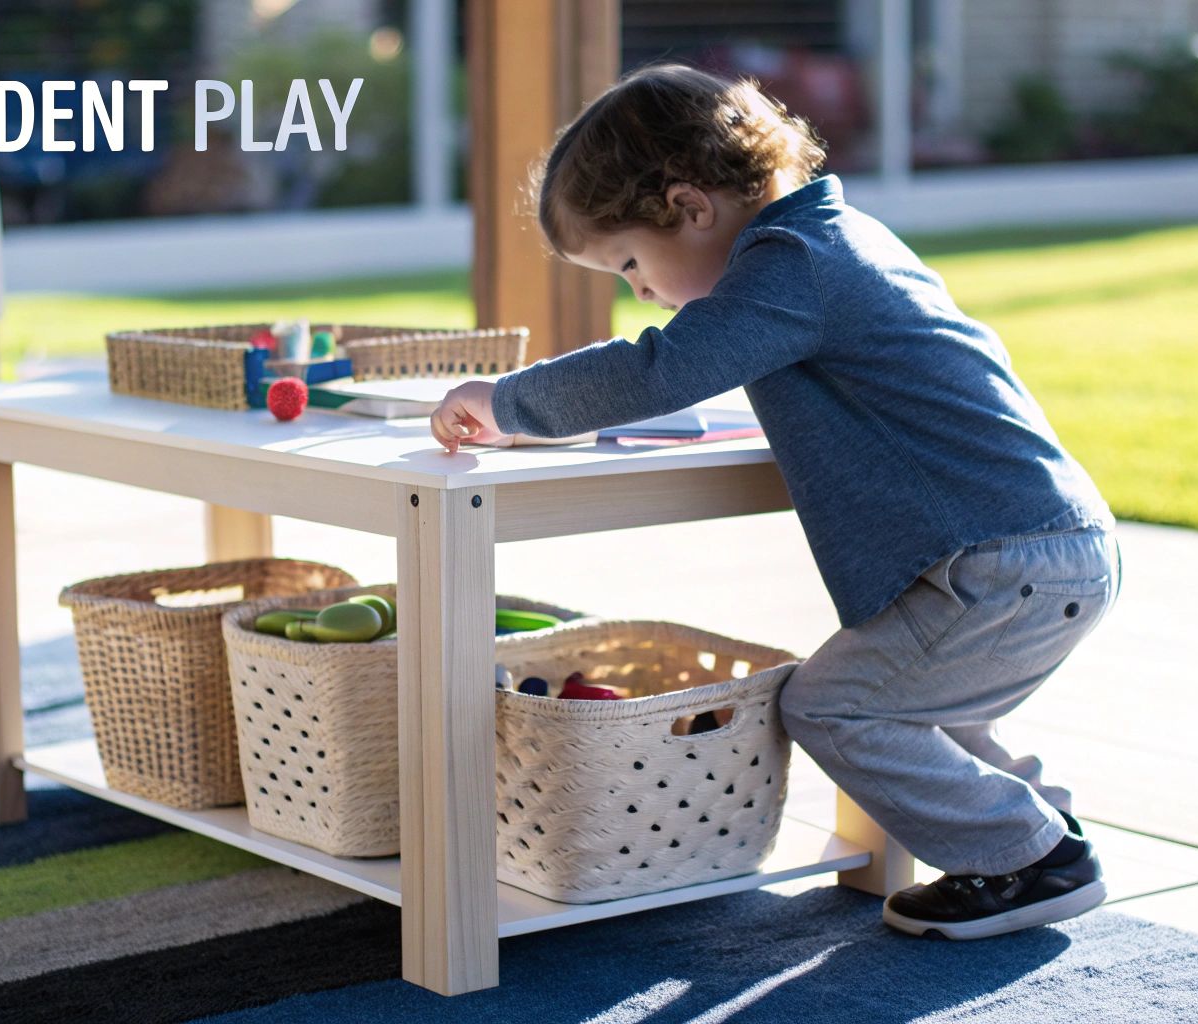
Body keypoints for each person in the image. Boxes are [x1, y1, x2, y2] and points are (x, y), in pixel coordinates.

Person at [429, 63, 1122, 940]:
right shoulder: (829, 239)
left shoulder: (791, 261)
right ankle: (1038, 834)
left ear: (690, 206)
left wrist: (507, 403)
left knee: (833, 704)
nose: (639, 291)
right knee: (917, 711)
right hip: (1034, 549)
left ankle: (1032, 860)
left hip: (1002, 561)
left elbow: (663, 367)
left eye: (632, 264)